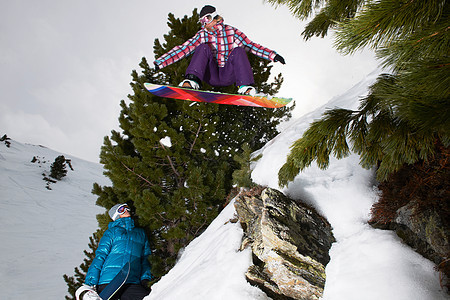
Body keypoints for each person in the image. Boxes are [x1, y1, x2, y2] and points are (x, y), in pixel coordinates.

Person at [153, 5, 286, 96]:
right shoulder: (202, 35)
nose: (204, 24)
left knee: (239, 50)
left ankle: (245, 87)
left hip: (228, 75)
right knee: (203, 47)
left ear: (214, 18)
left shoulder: (232, 31)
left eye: (206, 20)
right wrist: (161, 62)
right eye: (202, 22)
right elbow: (183, 49)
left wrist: (272, 55)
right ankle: (191, 81)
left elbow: (250, 46)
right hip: (210, 75)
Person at [84, 203, 152, 300]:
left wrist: (145, 278)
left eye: (127, 208)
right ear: (116, 215)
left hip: (132, 281)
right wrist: (90, 283)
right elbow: (100, 256)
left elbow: (146, 258)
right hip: (109, 281)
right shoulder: (112, 232)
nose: (126, 210)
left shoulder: (140, 233)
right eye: (122, 209)